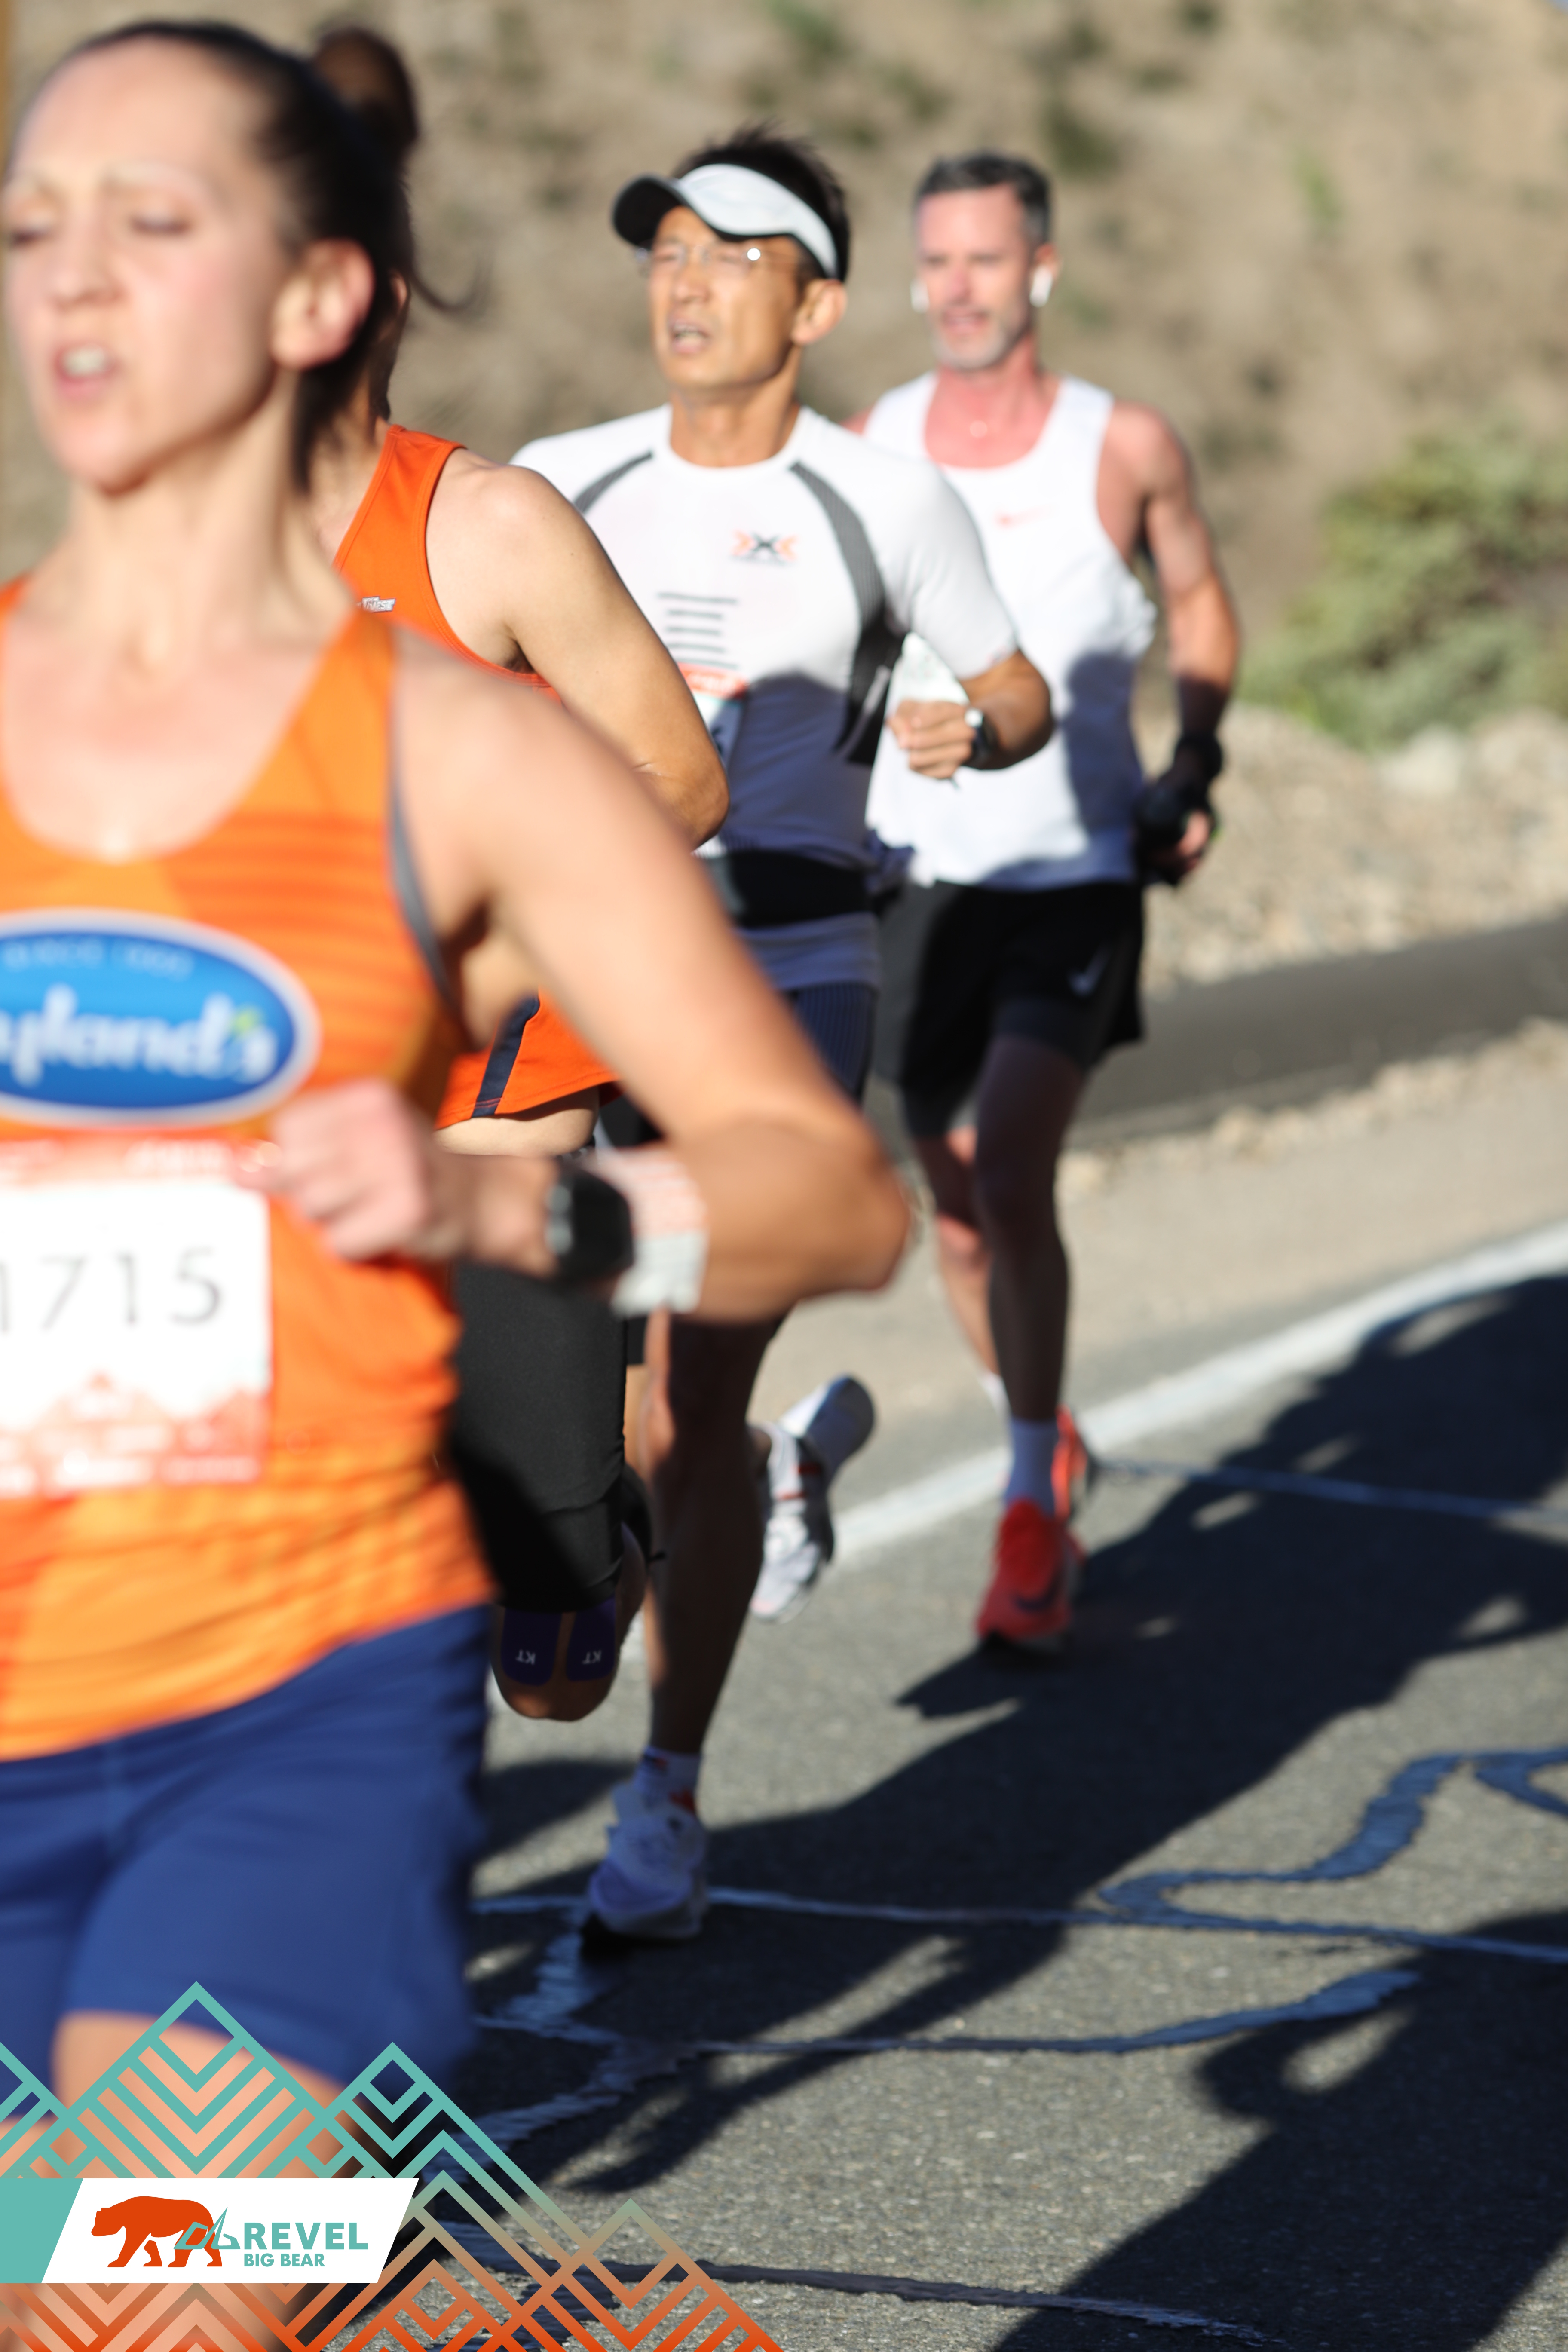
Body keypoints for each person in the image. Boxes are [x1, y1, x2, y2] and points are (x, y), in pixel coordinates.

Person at [0, 22, 906, 2108]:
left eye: (153, 222)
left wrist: (519, 1196)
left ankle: (644, 1507)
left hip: (302, 1646)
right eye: (36, 227)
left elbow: (830, 1195)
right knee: (112, 2241)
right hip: (58, 1624)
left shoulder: (459, 709)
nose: (77, 277)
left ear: (329, 297)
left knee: (166, 2236)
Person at [515, 126, 1051, 1940]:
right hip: (576, 978)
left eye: (732, 258)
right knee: (570, 1398)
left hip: (788, 975)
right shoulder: (558, 482)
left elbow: (1018, 690)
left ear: (815, 306)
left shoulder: (886, 501)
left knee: (686, 1395)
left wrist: (974, 732)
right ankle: (764, 1482)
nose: (686, 285)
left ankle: (664, 1801)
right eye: (666, 251)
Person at [305, 26, 728, 1724]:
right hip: (300, 1108)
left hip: (499, 1095)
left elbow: (684, 778)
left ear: (382, 308)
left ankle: (663, 1486)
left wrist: (489, 902)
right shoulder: (178, 566)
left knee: (552, 1672)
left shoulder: (485, 529)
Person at [853, 150, 1240, 1651]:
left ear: (1043, 271)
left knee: (1006, 1164)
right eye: (938, 261)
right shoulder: (878, 441)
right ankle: (1045, 1427)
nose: (960, 288)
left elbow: (1194, 598)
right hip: (916, 878)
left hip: (1075, 872)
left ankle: (1027, 1510)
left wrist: (1193, 759)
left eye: (987, 259)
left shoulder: (1122, 444)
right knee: (953, 1212)